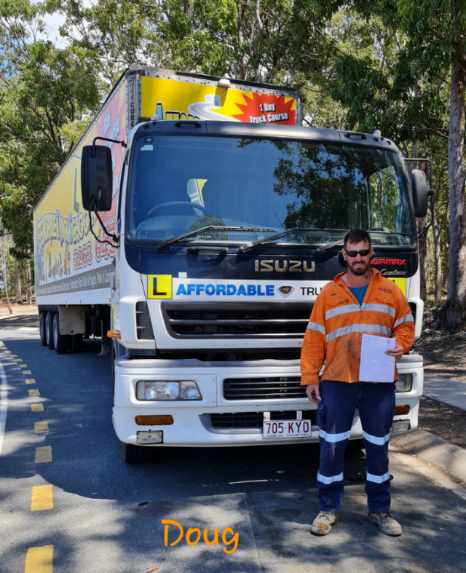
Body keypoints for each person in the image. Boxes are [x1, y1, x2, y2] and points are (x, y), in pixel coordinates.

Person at [300, 229, 414, 537]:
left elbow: (405, 326)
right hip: (338, 381)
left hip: (378, 383)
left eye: (364, 252)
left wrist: (401, 345)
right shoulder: (329, 293)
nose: (358, 258)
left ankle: (380, 510)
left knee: (378, 448)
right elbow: (313, 338)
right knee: (332, 447)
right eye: (353, 253)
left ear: (371, 254)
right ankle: (327, 510)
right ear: (344, 256)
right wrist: (310, 376)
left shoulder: (390, 291)